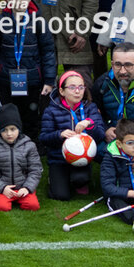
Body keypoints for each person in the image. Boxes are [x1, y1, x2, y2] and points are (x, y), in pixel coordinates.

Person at [0, 0, 56, 139]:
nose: (20, 2)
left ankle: (31, 146)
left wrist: (49, 80)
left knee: (31, 115)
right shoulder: (0, 22)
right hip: (5, 80)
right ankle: (4, 147)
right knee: (6, 115)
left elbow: (48, 52)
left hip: (32, 80)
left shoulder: (39, 21)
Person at [40, 70, 105, 200]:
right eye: (72, 87)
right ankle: (56, 179)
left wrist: (89, 124)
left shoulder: (90, 107)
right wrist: (60, 134)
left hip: (82, 158)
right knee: (61, 195)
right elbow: (43, 138)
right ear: (62, 91)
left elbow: (100, 135)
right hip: (59, 159)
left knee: (80, 180)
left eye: (81, 87)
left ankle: (79, 180)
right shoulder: (51, 110)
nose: (77, 91)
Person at [0, 103, 41, 212]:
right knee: (1, 207)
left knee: (33, 206)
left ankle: (23, 194)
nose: (9, 133)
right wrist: (2, 188)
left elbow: (35, 170)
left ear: (19, 128)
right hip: (2, 188)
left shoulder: (29, 145)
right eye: (4, 130)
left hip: (22, 188)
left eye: (13, 129)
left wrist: (27, 188)